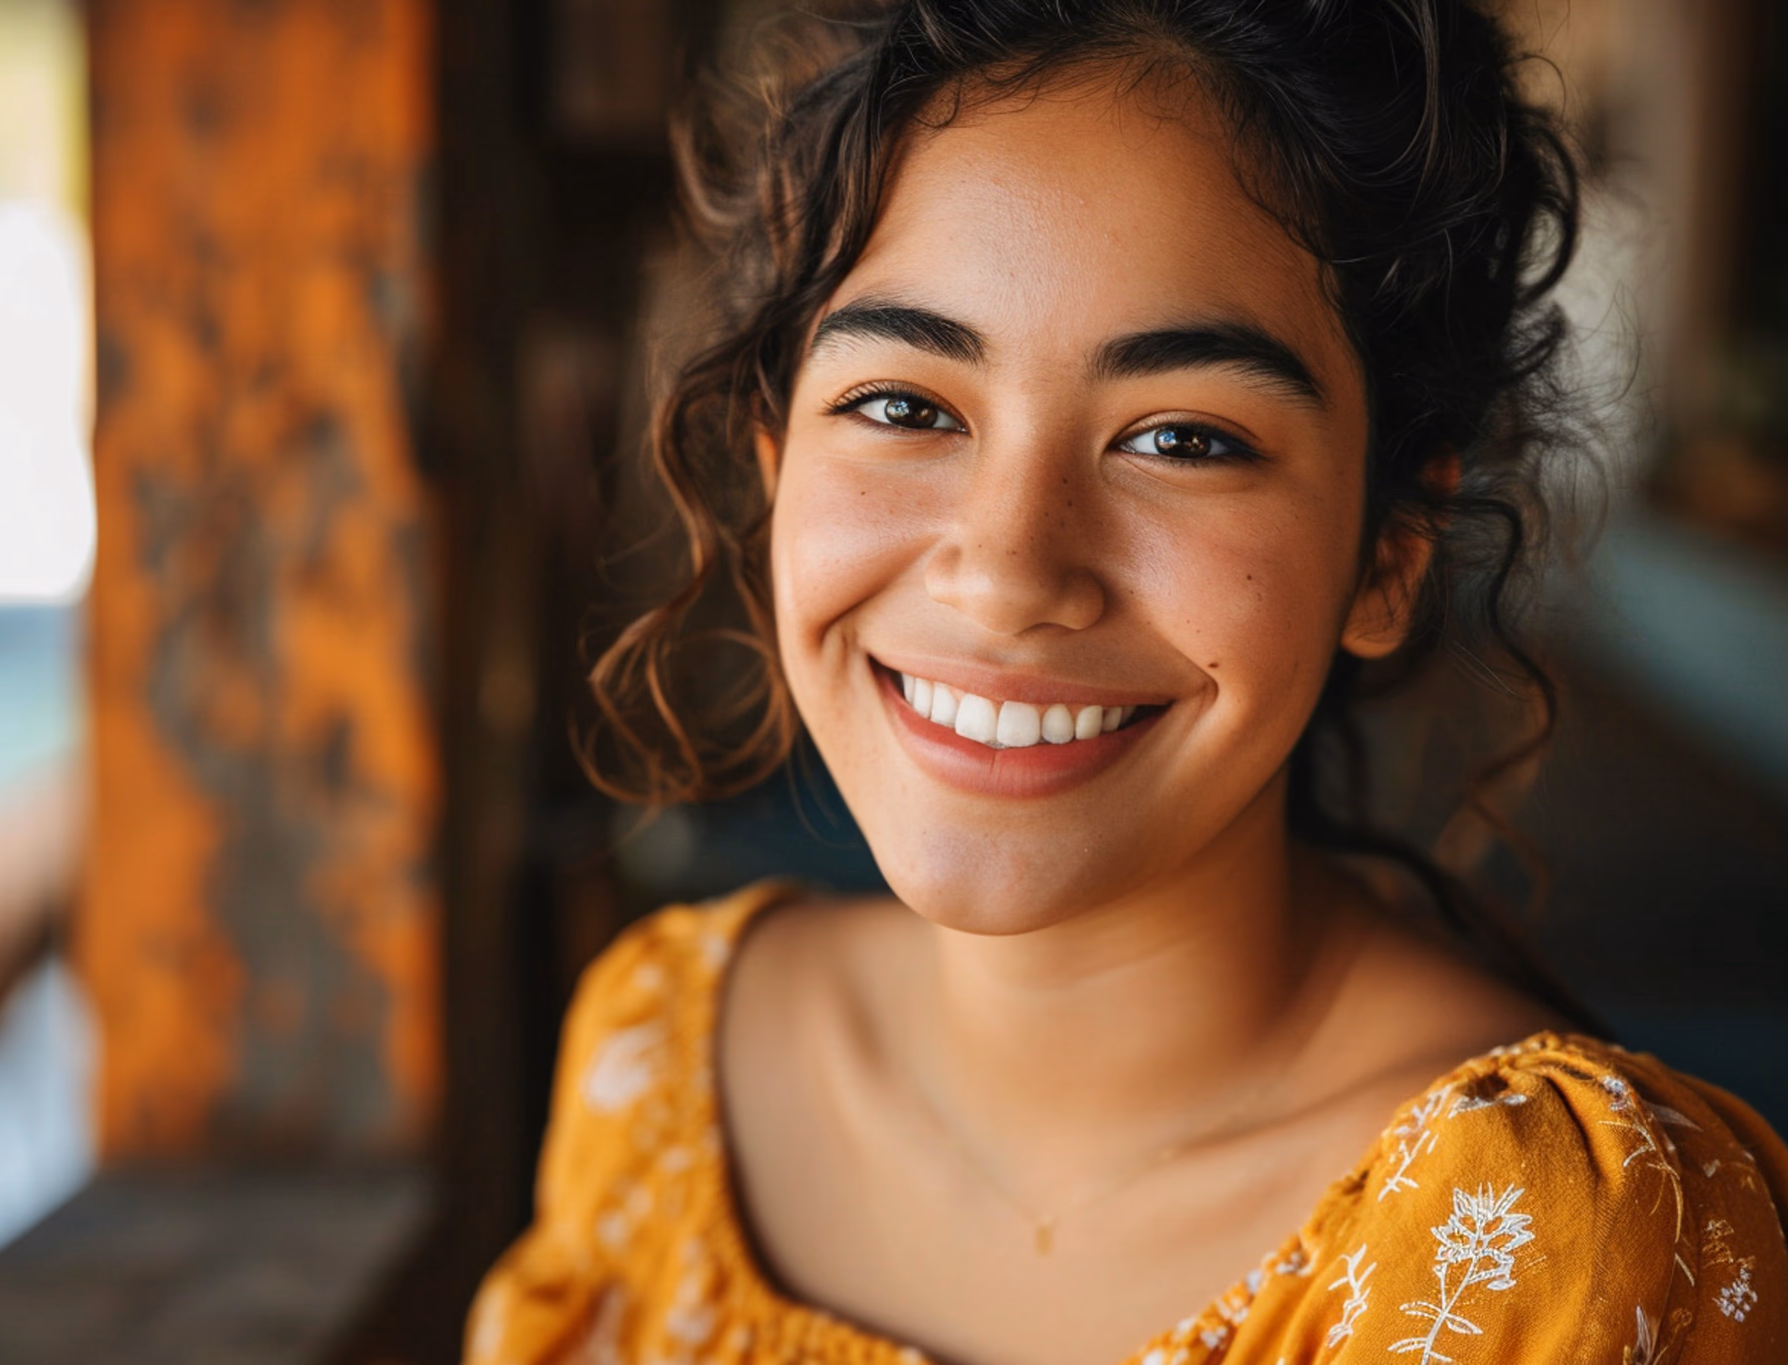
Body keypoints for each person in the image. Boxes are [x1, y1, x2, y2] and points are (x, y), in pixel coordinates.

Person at [466, 2, 1788, 1362]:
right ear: (771, 463)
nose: (1010, 571)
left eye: (1181, 437)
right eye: (906, 407)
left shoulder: (1543, 1248)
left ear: (1391, 552)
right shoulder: (666, 1064)